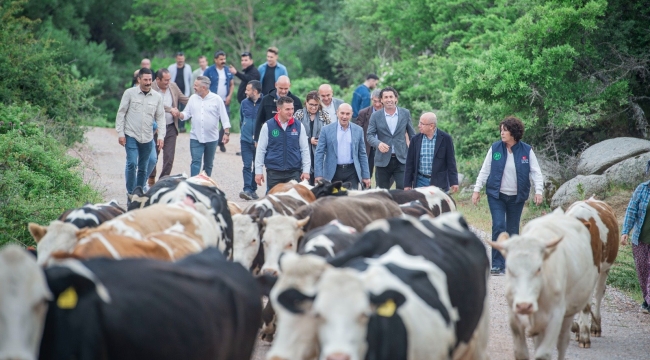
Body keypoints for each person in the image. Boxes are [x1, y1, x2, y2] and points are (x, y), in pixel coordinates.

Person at [471, 116, 544, 275]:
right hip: (496, 195)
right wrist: (476, 190)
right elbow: (485, 171)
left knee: (512, 230)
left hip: (517, 197)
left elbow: (536, 173)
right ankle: (497, 264)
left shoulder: (526, 150)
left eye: (505, 130)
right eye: (501, 130)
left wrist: (539, 191)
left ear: (514, 132)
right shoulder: (495, 148)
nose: (502, 133)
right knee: (499, 225)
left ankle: (511, 264)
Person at [115, 68, 165, 203]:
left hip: (148, 137)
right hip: (131, 134)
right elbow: (121, 113)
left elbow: (160, 117)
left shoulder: (157, 97)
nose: (148, 83)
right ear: (139, 79)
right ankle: (130, 193)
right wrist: (120, 133)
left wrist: (161, 136)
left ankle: (138, 194)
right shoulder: (129, 93)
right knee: (131, 163)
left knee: (143, 167)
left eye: (150, 80)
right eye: (145, 80)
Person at [174, 76, 231, 177]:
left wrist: (226, 133)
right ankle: (193, 186)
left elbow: (224, 117)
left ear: (204, 87)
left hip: (212, 138)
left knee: (208, 165)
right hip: (195, 137)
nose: (194, 87)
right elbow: (186, 114)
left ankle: (205, 187)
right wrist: (179, 114)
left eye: (196, 85)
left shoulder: (217, 99)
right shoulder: (192, 98)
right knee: (196, 162)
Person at [254, 96, 310, 191]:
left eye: (292, 109)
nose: (291, 112)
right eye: (287, 109)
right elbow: (261, 150)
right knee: (274, 203)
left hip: (294, 172)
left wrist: (306, 171)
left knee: (293, 203)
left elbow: (304, 149)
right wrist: (258, 172)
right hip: (274, 172)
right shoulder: (268, 126)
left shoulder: (299, 126)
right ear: (278, 109)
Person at [367, 86, 416, 190]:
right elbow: (369, 135)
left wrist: (414, 154)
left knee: (403, 189)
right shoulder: (375, 116)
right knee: (381, 192)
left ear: (396, 99)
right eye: (386, 97)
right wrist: (378, 143)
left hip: (401, 159)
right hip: (382, 160)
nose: (389, 99)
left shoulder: (405, 113)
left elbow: (412, 136)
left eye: (391, 97)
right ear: (381, 100)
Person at [314, 103, 370, 190]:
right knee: (333, 201)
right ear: (337, 113)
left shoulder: (358, 130)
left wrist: (366, 175)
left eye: (347, 114)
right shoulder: (326, 130)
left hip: (352, 172)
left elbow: (362, 154)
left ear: (351, 114)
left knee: (350, 200)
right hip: (333, 172)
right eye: (342, 113)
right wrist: (318, 174)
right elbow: (319, 153)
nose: (344, 116)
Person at [149, 68, 189, 185]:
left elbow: (183, 99)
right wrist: (170, 109)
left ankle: (163, 181)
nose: (168, 82)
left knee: (169, 157)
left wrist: (198, 101)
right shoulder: (150, 87)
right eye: (165, 80)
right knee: (153, 156)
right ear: (157, 79)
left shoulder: (173, 86)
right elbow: (158, 104)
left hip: (171, 126)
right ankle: (151, 177)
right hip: (154, 128)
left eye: (169, 79)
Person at [621, 161, 650, 313]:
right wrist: (625, 231)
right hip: (639, 239)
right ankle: (646, 300)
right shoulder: (642, 189)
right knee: (642, 271)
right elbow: (631, 211)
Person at [404, 112, 459, 193]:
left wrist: (454, 182)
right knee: (420, 205)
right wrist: (407, 184)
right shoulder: (415, 140)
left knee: (439, 205)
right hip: (420, 181)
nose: (419, 125)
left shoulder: (446, 138)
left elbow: (451, 162)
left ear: (431, 126)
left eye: (422, 124)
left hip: (439, 182)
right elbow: (409, 163)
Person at [294, 91, 331, 185]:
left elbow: (330, 134)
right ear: (306, 102)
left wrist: (322, 141)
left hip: (320, 153)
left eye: (316, 105)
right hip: (302, 153)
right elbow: (293, 133)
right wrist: (308, 140)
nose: (314, 107)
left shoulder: (325, 115)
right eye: (311, 104)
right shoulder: (299, 114)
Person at [253, 75, 303, 142]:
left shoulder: (296, 101)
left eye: (286, 89)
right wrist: (257, 139)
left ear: (289, 86)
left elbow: (301, 123)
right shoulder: (266, 100)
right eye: (281, 88)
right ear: (276, 85)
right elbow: (259, 119)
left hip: (290, 139)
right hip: (270, 138)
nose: (283, 91)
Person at [204, 50, 235, 153]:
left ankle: (220, 141)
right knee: (212, 121)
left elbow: (231, 84)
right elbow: (203, 84)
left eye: (224, 59)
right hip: (212, 100)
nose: (223, 61)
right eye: (221, 59)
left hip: (224, 100)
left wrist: (230, 96)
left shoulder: (228, 70)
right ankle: (210, 142)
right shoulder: (209, 71)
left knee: (225, 121)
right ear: (215, 60)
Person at [239, 80, 263, 201]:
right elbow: (241, 119)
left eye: (248, 90)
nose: (245, 92)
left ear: (255, 91)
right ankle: (247, 189)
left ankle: (253, 189)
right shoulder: (244, 103)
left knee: (257, 165)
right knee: (247, 165)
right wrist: (244, 132)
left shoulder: (264, 103)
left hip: (259, 142)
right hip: (245, 140)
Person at [356, 89, 382, 180]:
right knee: (366, 175)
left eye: (379, 101)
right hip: (368, 148)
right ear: (371, 100)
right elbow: (358, 132)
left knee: (382, 176)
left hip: (383, 148)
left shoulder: (388, 113)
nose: (377, 104)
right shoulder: (363, 113)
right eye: (375, 101)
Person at [168, 52, 192, 133]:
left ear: (184, 59)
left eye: (182, 59)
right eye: (179, 59)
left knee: (183, 109)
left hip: (184, 92)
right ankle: (175, 125)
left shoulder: (188, 68)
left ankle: (182, 127)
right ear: (176, 59)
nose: (180, 61)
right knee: (174, 108)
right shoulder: (171, 67)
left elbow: (190, 80)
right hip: (173, 92)